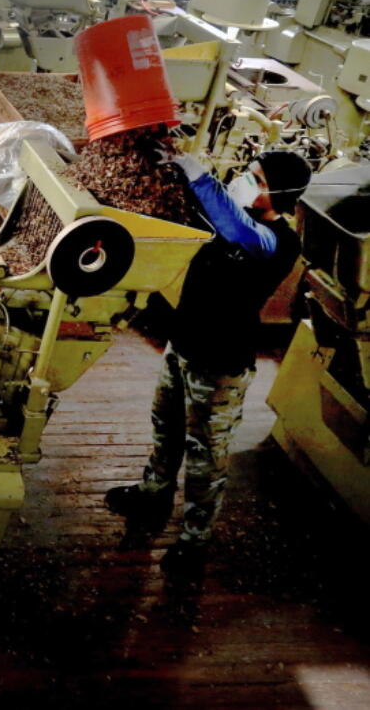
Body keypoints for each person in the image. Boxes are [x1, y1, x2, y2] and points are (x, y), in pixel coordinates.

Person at [105, 149, 312, 576]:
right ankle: (153, 492)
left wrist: (203, 179)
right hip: (181, 345)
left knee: (207, 454)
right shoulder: (229, 219)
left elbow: (240, 231)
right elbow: (207, 215)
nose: (245, 180)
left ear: (280, 192)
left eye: (256, 177)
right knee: (166, 427)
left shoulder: (277, 241)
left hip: (219, 363)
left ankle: (195, 538)